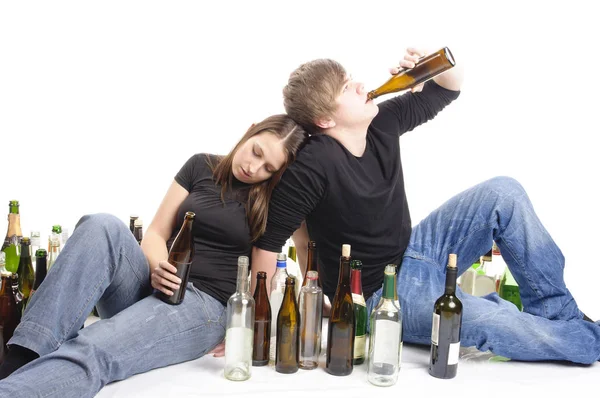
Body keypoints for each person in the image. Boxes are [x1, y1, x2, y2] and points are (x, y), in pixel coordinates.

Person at [251, 48, 600, 365]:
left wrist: (429, 68)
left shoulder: (380, 122)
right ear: (326, 121)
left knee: (504, 193)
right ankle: (589, 340)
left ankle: (558, 312)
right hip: (381, 294)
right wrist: (259, 326)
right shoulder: (313, 166)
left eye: (350, 78)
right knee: (494, 323)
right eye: (345, 88)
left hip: (419, 248)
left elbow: (449, 87)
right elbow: (267, 244)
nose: (359, 85)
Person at [0, 114, 308, 396]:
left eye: (269, 168)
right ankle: (23, 355)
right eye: (256, 152)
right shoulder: (201, 165)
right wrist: (159, 266)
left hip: (204, 305)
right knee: (102, 225)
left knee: (97, 345)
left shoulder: (273, 201)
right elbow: (157, 233)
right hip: (156, 283)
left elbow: (262, 274)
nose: (255, 168)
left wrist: (244, 328)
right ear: (249, 131)